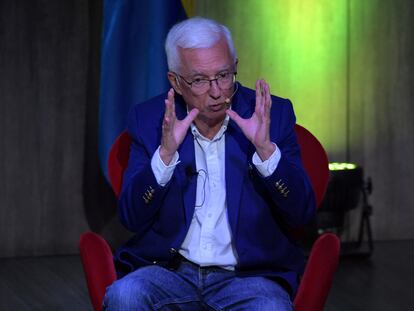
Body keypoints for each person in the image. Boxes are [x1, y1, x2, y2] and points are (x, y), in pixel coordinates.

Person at [103, 16, 315, 310]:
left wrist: (265, 151)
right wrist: (164, 157)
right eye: (200, 80)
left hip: (248, 275)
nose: (216, 92)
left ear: (235, 66)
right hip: (170, 270)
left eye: (224, 75)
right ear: (175, 82)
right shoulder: (151, 120)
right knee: (124, 296)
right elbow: (131, 217)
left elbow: (302, 213)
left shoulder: (271, 115)